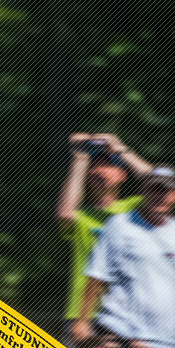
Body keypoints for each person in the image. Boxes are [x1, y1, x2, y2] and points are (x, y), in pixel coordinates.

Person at [75, 166, 175, 348]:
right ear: (143, 191)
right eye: (155, 189)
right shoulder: (119, 224)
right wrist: (83, 320)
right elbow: (97, 274)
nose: (160, 196)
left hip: (164, 341)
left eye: (166, 191)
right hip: (118, 331)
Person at [56, 131, 154, 324]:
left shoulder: (134, 209)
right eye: (94, 166)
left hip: (125, 313)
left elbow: (156, 183)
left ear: (122, 175)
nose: (99, 170)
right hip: (82, 313)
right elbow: (65, 215)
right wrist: (80, 159)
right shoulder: (83, 216)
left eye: (107, 165)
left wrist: (120, 148)